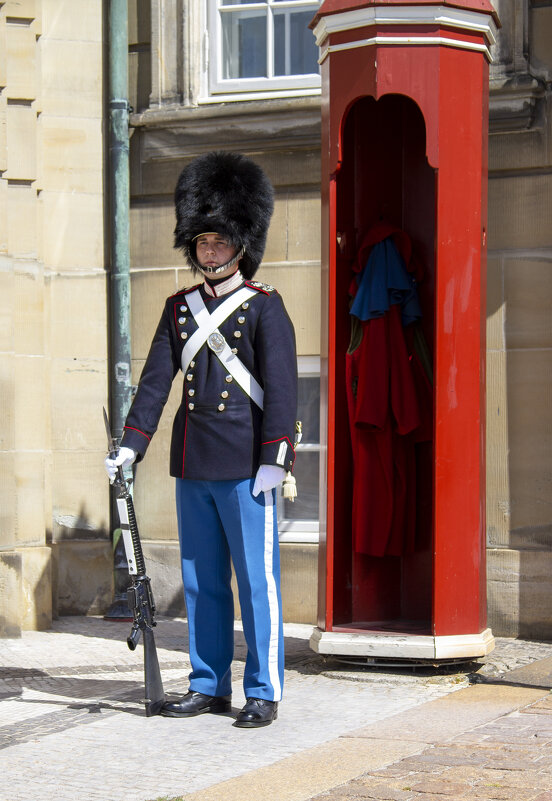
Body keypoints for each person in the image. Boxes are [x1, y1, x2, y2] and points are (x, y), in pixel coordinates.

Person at [104, 151, 298, 728]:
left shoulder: (265, 308)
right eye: (202, 243)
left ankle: (262, 689)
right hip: (194, 464)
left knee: (256, 585)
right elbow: (155, 382)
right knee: (202, 582)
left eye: (219, 243)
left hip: (246, 466)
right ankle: (209, 683)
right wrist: (131, 444)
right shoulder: (178, 309)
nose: (209, 253)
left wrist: (276, 459)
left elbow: (284, 390)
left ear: (241, 245)